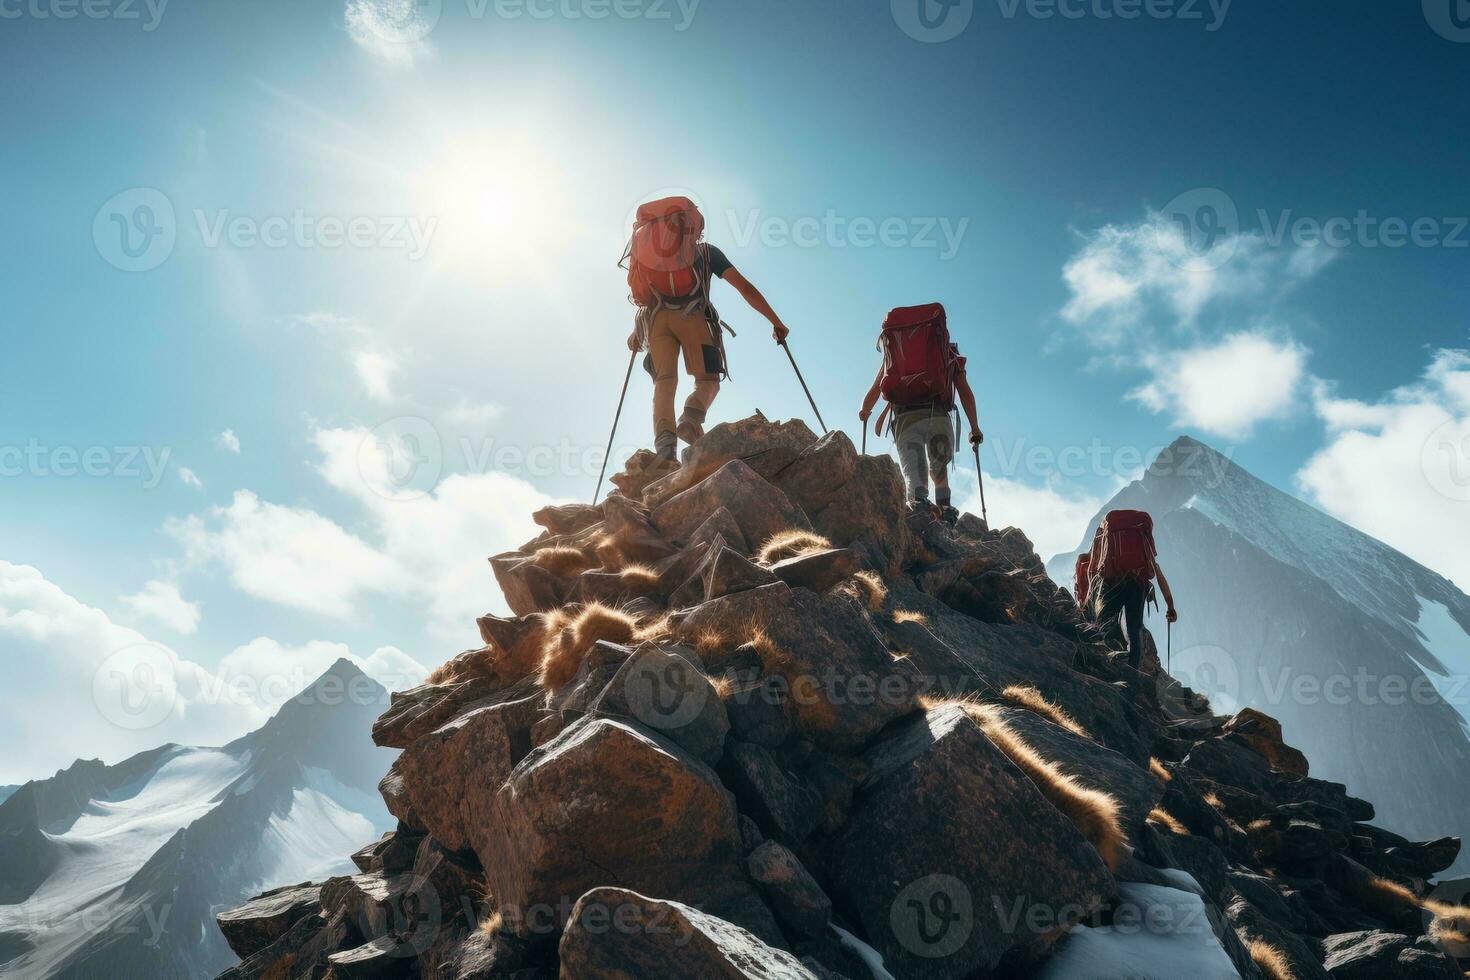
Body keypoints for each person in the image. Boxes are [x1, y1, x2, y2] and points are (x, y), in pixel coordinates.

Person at [624, 197, 792, 464]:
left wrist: (636, 333)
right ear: (693, 228)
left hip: (656, 322)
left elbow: (645, 299)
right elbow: (745, 288)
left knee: (664, 383)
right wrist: (776, 321)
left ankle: (665, 451)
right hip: (693, 317)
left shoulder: (649, 255)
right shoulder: (705, 252)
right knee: (708, 381)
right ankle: (690, 418)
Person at [857, 303, 981, 525]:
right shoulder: (950, 354)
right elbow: (965, 393)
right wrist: (974, 429)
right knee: (939, 472)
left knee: (916, 478)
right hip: (938, 416)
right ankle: (945, 513)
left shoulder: (892, 358)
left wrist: (865, 410)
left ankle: (919, 516)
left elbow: (876, 387)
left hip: (905, 419)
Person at [1087, 511, 1178, 670]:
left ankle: (1102, 658)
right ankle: (1133, 670)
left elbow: (1093, 566)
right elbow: (1160, 577)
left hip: (1113, 583)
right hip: (1137, 585)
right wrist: (1170, 607)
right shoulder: (1144, 550)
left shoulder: (1107, 540)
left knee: (1103, 622)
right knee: (1134, 628)